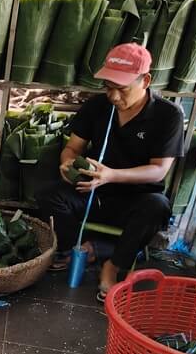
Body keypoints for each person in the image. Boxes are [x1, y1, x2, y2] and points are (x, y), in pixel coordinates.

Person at [36, 44, 183, 301]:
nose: (114, 96)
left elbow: (159, 170)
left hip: (136, 198)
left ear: (145, 80)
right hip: (93, 191)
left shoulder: (167, 115)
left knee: (156, 207)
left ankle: (113, 264)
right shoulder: (98, 106)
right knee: (49, 194)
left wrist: (112, 175)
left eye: (122, 88)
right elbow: (72, 147)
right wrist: (67, 163)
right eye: (108, 87)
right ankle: (77, 250)